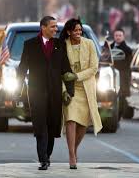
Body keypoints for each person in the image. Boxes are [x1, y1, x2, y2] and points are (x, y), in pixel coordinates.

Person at [17, 16, 74, 170]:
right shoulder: (29, 45)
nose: (56, 29)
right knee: (40, 125)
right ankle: (43, 159)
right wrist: (18, 89)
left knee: (51, 125)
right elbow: (22, 69)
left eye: (56, 27)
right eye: (53, 27)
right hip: (36, 92)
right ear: (43, 27)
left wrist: (70, 91)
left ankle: (47, 155)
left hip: (55, 93)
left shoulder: (59, 45)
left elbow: (66, 69)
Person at [59, 18, 103, 169]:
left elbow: (94, 68)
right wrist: (64, 90)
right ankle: (72, 155)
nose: (78, 33)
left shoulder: (89, 44)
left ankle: (75, 149)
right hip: (70, 89)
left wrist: (77, 76)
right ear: (69, 32)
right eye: (75, 30)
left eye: (80, 30)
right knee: (70, 119)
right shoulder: (63, 45)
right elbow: (61, 71)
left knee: (83, 124)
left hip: (85, 88)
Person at [110, 28, 133, 118]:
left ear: (123, 36)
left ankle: (118, 116)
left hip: (122, 77)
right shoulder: (109, 48)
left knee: (121, 97)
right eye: (116, 35)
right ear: (114, 36)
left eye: (120, 35)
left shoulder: (128, 50)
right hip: (110, 76)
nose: (118, 37)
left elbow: (128, 65)